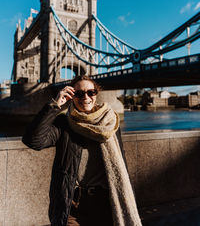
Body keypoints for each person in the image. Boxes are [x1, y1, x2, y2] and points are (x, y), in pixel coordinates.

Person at [22, 75, 142, 226]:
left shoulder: (110, 122)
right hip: (72, 202)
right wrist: (54, 105)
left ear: (96, 94)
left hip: (104, 201)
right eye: (79, 94)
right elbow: (33, 141)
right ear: (72, 97)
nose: (86, 97)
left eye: (90, 92)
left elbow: (121, 163)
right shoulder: (63, 124)